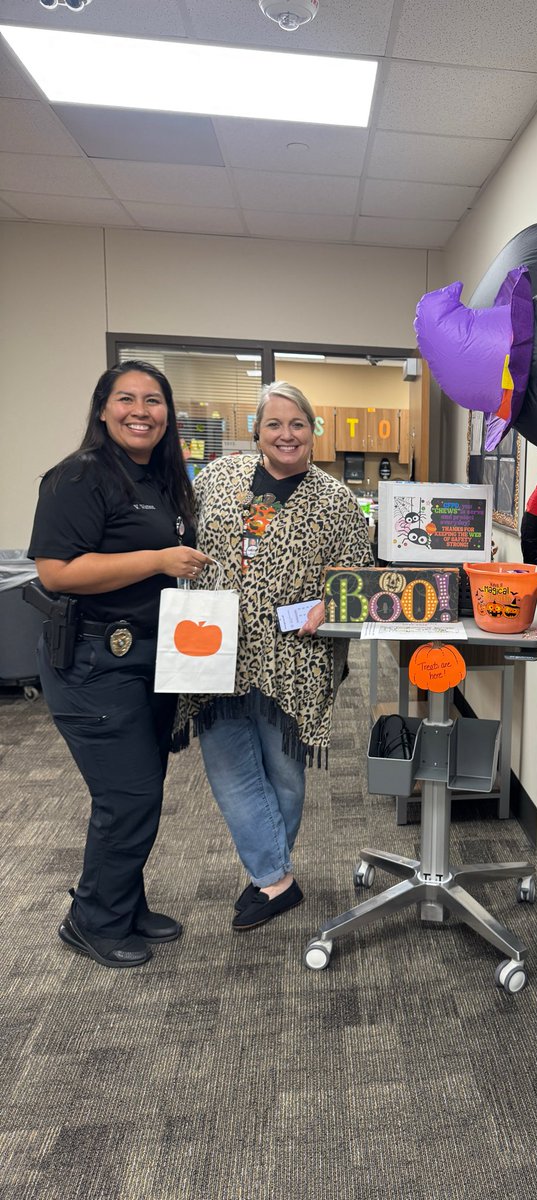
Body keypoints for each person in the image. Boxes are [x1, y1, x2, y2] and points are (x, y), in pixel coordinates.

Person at [28, 361, 213, 969]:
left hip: (150, 658)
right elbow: (56, 571)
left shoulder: (158, 478)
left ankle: (122, 904)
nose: (142, 411)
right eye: (127, 399)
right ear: (103, 408)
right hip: (93, 661)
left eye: (154, 400)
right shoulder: (79, 477)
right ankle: (92, 921)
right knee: (127, 796)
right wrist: (158, 559)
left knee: (141, 791)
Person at [172, 382, 373, 931]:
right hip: (214, 648)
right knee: (229, 766)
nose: (287, 434)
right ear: (256, 432)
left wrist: (331, 602)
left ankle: (269, 877)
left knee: (283, 774)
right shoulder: (216, 479)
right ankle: (277, 878)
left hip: (295, 657)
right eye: (275, 424)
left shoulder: (336, 502)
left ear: (313, 432)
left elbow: (358, 579)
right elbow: (178, 536)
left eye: (298, 424)